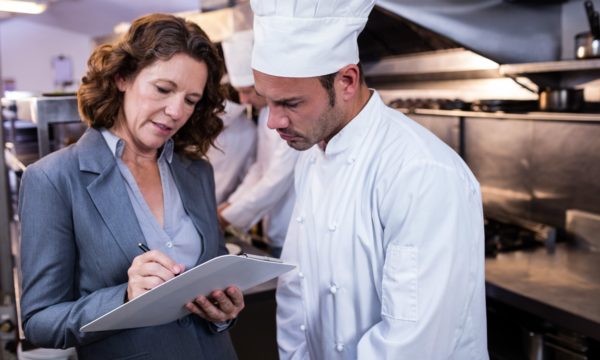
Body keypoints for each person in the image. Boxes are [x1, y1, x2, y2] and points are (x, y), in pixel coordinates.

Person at [249, 0, 489, 359]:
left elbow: (413, 342)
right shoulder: (313, 155)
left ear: (346, 81)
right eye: (267, 101)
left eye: (291, 103)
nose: (273, 122)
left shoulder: (419, 172)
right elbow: (296, 289)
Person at [18, 14, 244, 359]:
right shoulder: (54, 179)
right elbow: (39, 321)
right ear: (122, 77)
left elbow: (211, 278)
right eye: (163, 89)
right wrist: (124, 296)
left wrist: (223, 311)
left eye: (190, 99)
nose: (175, 111)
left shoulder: (196, 171)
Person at [218, 29, 298, 258]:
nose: (243, 101)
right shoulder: (264, 114)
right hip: (274, 227)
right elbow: (260, 168)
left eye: (247, 91)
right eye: (238, 92)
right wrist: (230, 206)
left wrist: (227, 217)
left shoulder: (288, 116)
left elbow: (276, 179)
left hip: (294, 231)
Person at [207, 98, 257, 205]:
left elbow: (247, 174)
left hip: (217, 203)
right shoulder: (191, 117)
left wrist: (231, 205)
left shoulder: (248, 130)